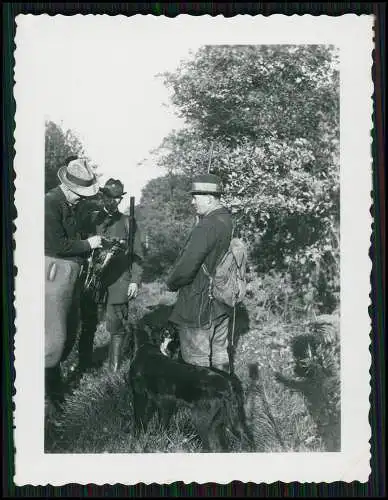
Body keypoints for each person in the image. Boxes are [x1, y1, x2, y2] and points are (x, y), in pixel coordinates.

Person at [45, 158, 102, 410]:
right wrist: (88, 244)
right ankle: (49, 398)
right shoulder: (49, 203)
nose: (82, 198)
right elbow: (57, 245)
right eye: (80, 193)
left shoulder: (69, 204)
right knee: (53, 339)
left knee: (67, 334)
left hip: (69, 276)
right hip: (53, 275)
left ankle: (53, 390)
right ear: (67, 186)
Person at [73, 178, 144, 377]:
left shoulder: (128, 222)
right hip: (92, 279)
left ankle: (113, 372)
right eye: (108, 196)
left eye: (116, 198)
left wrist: (134, 281)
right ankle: (83, 365)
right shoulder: (91, 218)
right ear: (102, 195)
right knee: (88, 324)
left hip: (119, 280)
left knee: (117, 326)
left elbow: (138, 254)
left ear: (120, 199)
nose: (112, 201)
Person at [166, 173, 233, 373]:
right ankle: (226, 398)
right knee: (220, 355)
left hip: (199, 305)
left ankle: (200, 404)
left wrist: (171, 283)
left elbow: (186, 267)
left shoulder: (207, 225)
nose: (192, 201)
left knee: (196, 367)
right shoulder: (227, 220)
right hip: (222, 303)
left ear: (210, 198)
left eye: (195, 197)